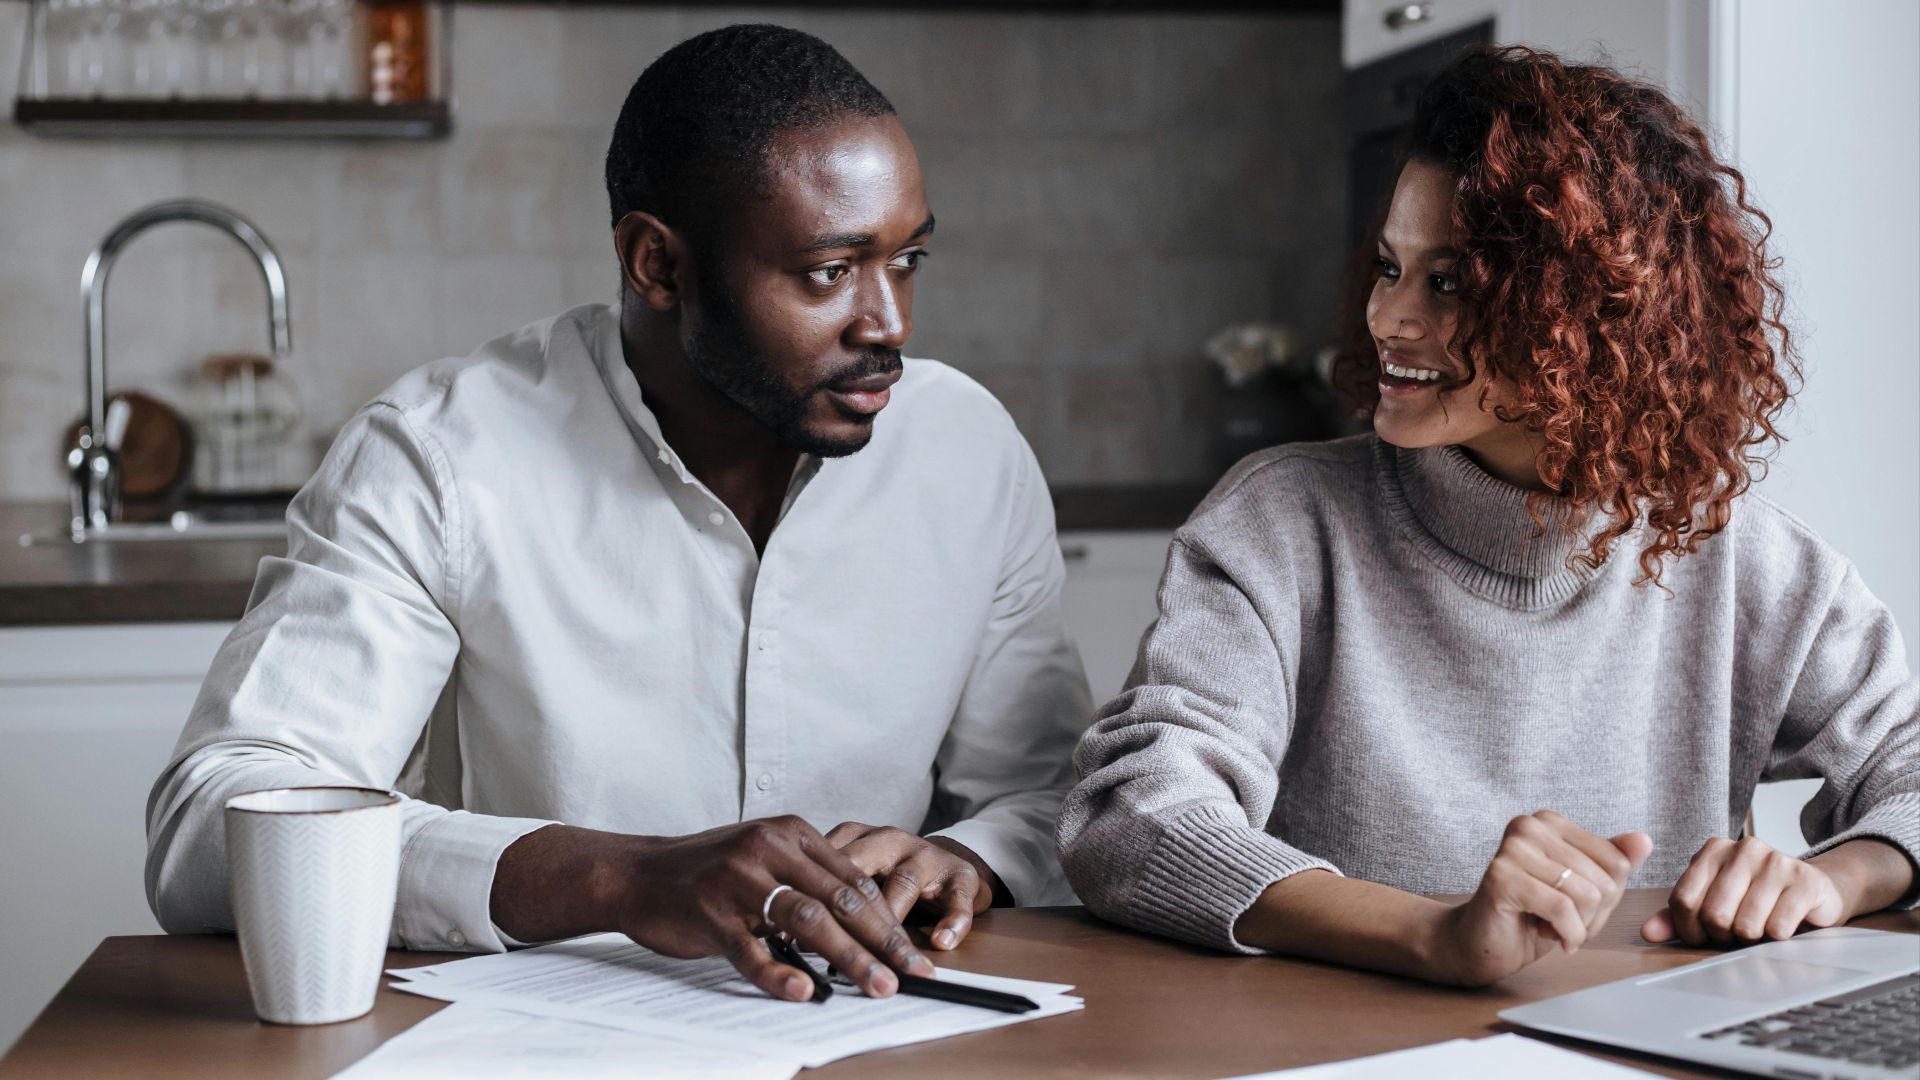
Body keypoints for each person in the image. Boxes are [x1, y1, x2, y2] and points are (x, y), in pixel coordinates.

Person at [146, 24, 1091, 1004]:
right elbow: (212, 831)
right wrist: (624, 879)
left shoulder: (966, 449)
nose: (887, 322)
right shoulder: (437, 456)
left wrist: (968, 858)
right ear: (656, 263)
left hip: (885, 1036)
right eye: (828, 271)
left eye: (907, 260)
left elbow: (1055, 799)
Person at [1057, 45, 1918, 987]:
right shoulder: (1283, 525)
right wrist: (1434, 935)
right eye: (1390, 267)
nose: (1389, 317)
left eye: (1451, 281)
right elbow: (1133, 819)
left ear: (1592, 316)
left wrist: (1834, 879)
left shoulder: (1750, 563)